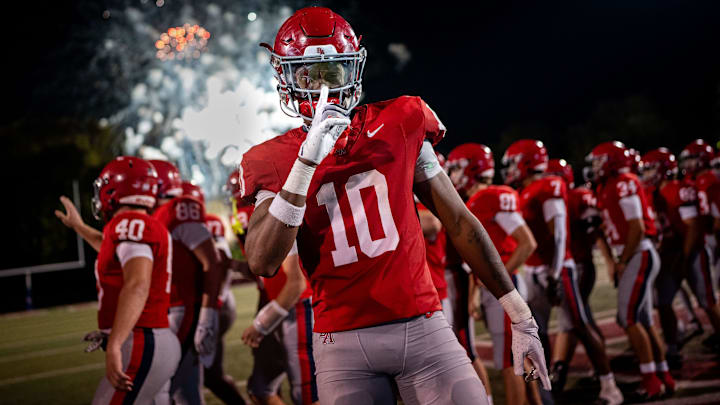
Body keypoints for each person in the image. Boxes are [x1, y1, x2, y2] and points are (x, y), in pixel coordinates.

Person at [240, 6, 550, 404]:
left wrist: (521, 315)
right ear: (286, 78)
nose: (321, 88)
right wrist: (305, 164)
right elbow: (263, 262)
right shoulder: (271, 158)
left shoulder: (402, 119)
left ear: (353, 70)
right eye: (308, 75)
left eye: (331, 72)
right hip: (341, 342)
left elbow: (459, 221)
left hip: (422, 325)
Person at [502, 140, 622, 404]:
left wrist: (555, 272)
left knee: (580, 325)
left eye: (513, 162)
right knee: (534, 333)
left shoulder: (548, 186)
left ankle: (610, 386)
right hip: (533, 269)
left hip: (556, 268)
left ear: (527, 161)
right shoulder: (523, 191)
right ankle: (545, 394)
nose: (510, 169)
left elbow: (559, 233)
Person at [55, 156, 180, 404]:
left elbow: (137, 284)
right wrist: (79, 226)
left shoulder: (129, 224)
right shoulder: (139, 225)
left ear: (115, 189)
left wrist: (115, 343)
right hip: (152, 338)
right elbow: (109, 251)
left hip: (143, 340)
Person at [447, 143, 543, 405]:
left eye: (456, 169)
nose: (452, 175)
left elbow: (526, 243)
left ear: (471, 169)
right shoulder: (479, 199)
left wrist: (497, 281)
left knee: (508, 361)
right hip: (501, 287)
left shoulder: (490, 196)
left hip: (504, 288)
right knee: (518, 357)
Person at [587, 141, 673, 400]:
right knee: (643, 320)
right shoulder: (607, 186)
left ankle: (651, 380)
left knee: (629, 319)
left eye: (599, 161)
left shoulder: (624, 181)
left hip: (638, 252)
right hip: (635, 252)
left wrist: (622, 261)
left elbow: (636, 227)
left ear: (612, 161)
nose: (594, 166)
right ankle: (663, 375)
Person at [227, 170, 319, 405]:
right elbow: (265, 266)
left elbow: (296, 283)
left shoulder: (274, 213)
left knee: (308, 395)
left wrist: (262, 323)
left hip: (296, 308)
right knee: (260, 388)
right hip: (280, 308)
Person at [150, 160, 224, 405]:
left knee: (160, 390)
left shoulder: (177, 209)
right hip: (170, 310)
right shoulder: (160, 215)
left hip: (181, 311)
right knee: (185, 392)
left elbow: (211, 262)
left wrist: (207, 316)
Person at [181, 181, 247, 405]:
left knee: (183, 377)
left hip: (213, 305)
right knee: (210, 376)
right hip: (214, 304)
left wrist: (215, 301)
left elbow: (219, 259)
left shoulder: (206, 224)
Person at [544, 158, 605, 390]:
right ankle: (564, 367)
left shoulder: (577, 196)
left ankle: (565, 369)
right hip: (571, 265)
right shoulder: (554, 199)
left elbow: (594, 231)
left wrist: (609, 260)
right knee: (577, 319)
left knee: (574, 321)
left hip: (578, 265)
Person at [678, 139, 720, 350]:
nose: (688, 164)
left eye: (693, 158)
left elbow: (714, 215)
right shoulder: (699, 180)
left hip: (712, 238)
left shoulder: (709, 179)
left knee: (709, 294)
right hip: (709, 237)